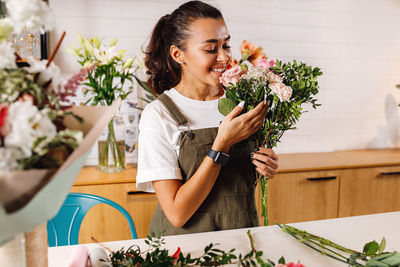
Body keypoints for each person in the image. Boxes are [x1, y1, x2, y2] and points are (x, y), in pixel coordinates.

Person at [136, 0, 279, 236]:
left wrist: (265, 165)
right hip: (182, 249)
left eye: (227, 45)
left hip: (241, 237)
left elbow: (235, 182)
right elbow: (177, 213)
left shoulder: (242, 102)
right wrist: (221, 145)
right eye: (211, 49)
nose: (224, 57)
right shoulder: (159, 115)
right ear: (178, 54)